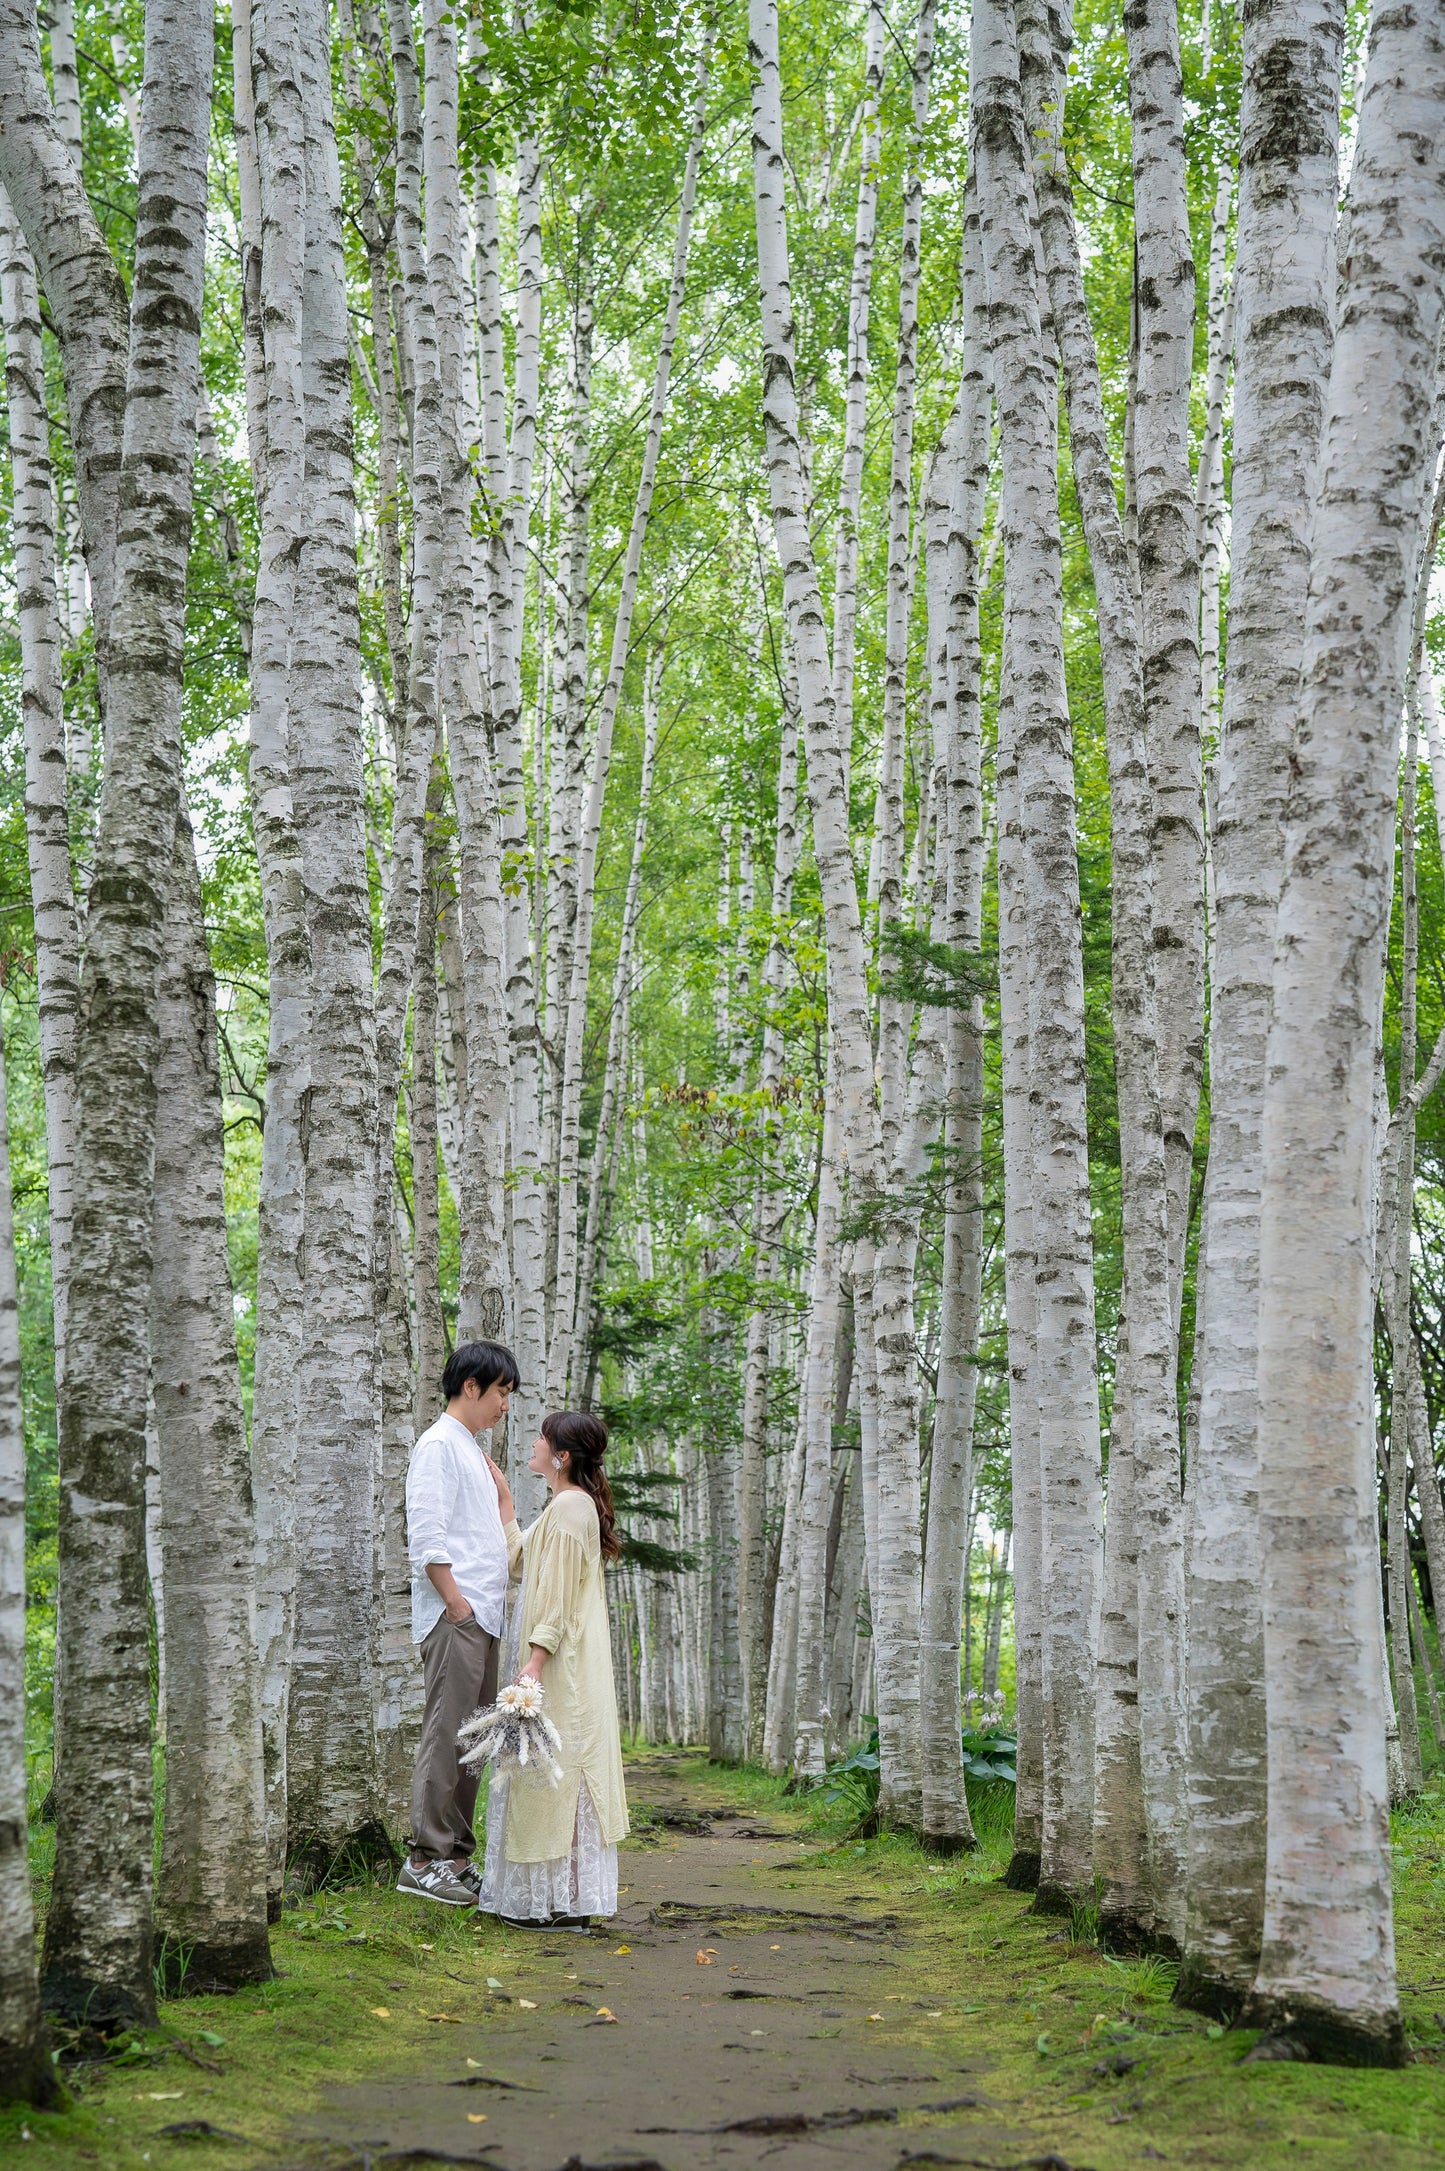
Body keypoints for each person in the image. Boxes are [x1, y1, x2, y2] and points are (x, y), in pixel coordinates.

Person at [479, 1411, 630, 1930]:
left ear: (561, 1455)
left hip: (562, 1664)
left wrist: (535, 1663)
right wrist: (505, 1503)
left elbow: (559, 1595)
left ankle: (558, 1903)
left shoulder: (571, 1506)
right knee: (549, 1773)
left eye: (542, 1438)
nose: (533, 1442)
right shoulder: (563, 1505)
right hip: (560, 1658)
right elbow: (520, 1563)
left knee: (555, 1774)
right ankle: (561, 1900)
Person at [399, 1339, 522, 1906]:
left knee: (474, 1742)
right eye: (500, 1392)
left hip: (483, 1614)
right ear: (470, 1387)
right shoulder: (438, 1445)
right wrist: (455, 1604)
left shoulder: (471, 1449)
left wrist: (503, 1505)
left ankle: (454, 1858)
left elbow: (484, 1534)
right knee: (447, 1736)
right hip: (459, 1614)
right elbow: (426, 1535)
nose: (504, 1405)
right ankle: (423, 1858)